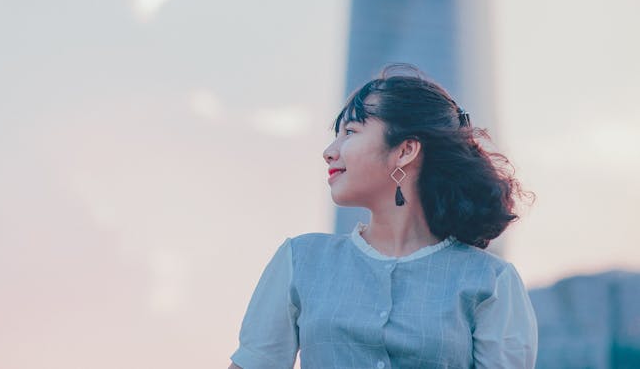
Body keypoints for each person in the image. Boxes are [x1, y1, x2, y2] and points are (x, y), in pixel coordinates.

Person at [228, 65, 538, 369]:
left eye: (350, 132)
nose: (329, 151)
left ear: (405, 151)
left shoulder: (492, 282)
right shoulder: (300, 260)